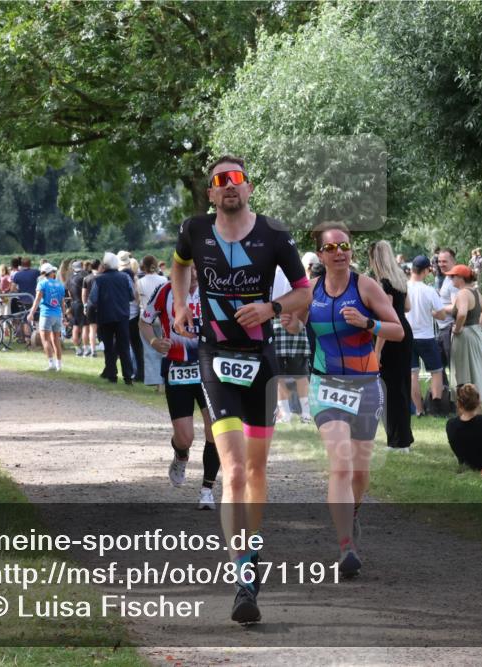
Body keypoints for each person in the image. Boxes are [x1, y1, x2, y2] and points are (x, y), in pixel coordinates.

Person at [171, 155, 310, 625]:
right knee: (231, 473)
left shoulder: (274, 234)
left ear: (249, 187)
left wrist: (272, 308)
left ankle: (252, 545)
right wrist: (180, 302)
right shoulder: (194, 229)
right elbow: (180, 264)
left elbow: (303, 291)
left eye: (237, 179)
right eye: (220, 181)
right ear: (210, 193)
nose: (229, 186)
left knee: (256, 469)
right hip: (214, 357)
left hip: (262, 363)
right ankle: (244, 574)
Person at [286, 222, 404, 577]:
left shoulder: (365, 286)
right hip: (326, 384)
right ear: (321, 254)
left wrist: (369, 323)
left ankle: (352, 513)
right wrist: (290, 321)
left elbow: (398, 330)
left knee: (360, 473)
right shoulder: (312, 291)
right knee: (341, 464)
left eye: (345, 246)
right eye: (332, 247)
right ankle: (345, 547)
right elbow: (298, 323)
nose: (340, 252)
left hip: (365, 384)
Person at [140, 264, 221, 508]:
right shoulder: (165, 292)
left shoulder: (213, 292)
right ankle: (181, 454)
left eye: (198, 268)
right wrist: (154, 341)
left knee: (215, 431)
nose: (194, 274)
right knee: (185, 437)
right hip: (178, 368)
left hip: (211, 369)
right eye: (189, 269)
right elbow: (144, 322)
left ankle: (207, 490)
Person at [368, 240, 414, 451]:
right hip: (405, 332)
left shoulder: (383, 284)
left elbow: (385, 318)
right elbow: (407, 306)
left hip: (390, 336)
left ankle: (397, 440)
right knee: (402, 385)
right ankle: (404, 438)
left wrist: (377, 351)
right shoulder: (400, 280)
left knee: (391, 389)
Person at [406, 254, 448, 416]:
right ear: (425, 271)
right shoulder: (429, 290)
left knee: (412, 374)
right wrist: (430, 313)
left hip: (408, 337)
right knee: (436, 371)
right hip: (426, 336)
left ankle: (418, 409)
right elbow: (442, 315)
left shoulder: (403, 288)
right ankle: (436, 408)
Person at [271, 258, 312, 425]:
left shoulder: (272, 270)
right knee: (298, 374)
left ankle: (288, 413)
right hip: (289, 321)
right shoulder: (297, 270)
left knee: (281, 374)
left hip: (278, 321)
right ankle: (303, 413)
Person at [446, 264, 482, 402]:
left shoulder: (462, 293)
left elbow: (461, 314)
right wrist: (478, 327)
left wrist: (458, 328)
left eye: (452, 276)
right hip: (474, 334)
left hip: (464, 336)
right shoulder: (475, 293)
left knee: (463, 370)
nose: (450, 279)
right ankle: (477, 399)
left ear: (461, 278)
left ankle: (466, 402)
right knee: (476, 368)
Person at [88, 253, 135, 383]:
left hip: (105, 316)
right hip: (123, 316)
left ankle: (112, 375)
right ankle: (128, 377)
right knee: (124, 347)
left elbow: (93, 299)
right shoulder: (125, 277)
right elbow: (132, 295)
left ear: (105, 265)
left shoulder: (99, 279)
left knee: (108, 347)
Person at [28, 262, 66, 371]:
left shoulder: (42, 283)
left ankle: (51, 364)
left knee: (45, 340)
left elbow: (37, 300)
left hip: (46, 314)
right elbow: (62, 302)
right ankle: (59, 365)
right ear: (52, 273)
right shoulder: (60, 284)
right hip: (57, 314)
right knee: (56, 340)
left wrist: (31, 313)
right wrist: (64, 316)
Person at [137, 255, 168, 390]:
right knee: (165, 348)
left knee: (150, 349)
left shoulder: (140, 281)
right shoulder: (163, 279)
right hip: (162, 317)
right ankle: (165, 380)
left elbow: (137, 300)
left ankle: (156, 382)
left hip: (146, 317)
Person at [436, 248, 459, 384]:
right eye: (439, 261)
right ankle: (445, 400)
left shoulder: (453, 280)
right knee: (438, 367)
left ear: (453, 261)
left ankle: (461, 401)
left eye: (444, 261)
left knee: (455, 369)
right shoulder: (447, 277)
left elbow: (457, 307)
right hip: (443, 329)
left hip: (450, 330)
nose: (441, 264)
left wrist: (437, 308)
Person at [66, 260, 87, 356]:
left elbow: (69, 293)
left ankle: (77, 349)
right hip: (81, 303)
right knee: (84, 327)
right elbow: (85, 292)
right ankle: (85, 348)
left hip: (73, 303)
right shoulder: (83, 277)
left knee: (75, 326)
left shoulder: (69, 279)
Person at [81, 259, 100, 357]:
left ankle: (93, 350)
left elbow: (83, 294)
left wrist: (85, 305)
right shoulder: (103, 277)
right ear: (99, 266)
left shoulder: (86, 278)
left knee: (92, 329)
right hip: (102, 305)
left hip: (90, 305)